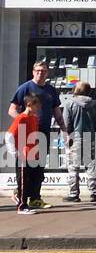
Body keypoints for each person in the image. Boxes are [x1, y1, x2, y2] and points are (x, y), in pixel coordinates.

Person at [8, 60, 66, 209]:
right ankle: (20, 195)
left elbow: (57, 111)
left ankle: (35, 198)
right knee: (25, 167)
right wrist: (24, 121)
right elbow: (12, 109)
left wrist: (64, 129)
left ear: (47, 73)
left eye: (44, 71)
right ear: (33, 72)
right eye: (38, 70)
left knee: (38, 168)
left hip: (43, 133)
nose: (40, 73)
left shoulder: (51, 90)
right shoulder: (25, 88)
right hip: (27, 135)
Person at [63, 81, 96, 204]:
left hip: (74, 138)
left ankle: (74, 193)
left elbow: (66, 123)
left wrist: (66, 137)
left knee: (73, 167)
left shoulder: (70, 104)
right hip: (90, 137)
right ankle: (94, 193)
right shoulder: (95, 105)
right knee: (90, 166)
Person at [6, 93, 43, 214]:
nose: (38, 108)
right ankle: (21, 206)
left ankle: (19, 198)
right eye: (36, 106)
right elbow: (9, 135)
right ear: (29, 104)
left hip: (32, 154)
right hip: (23, 154)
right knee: (23, 180)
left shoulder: (33, 118)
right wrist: (14, 152)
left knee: (29, 180)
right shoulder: (21, 118)